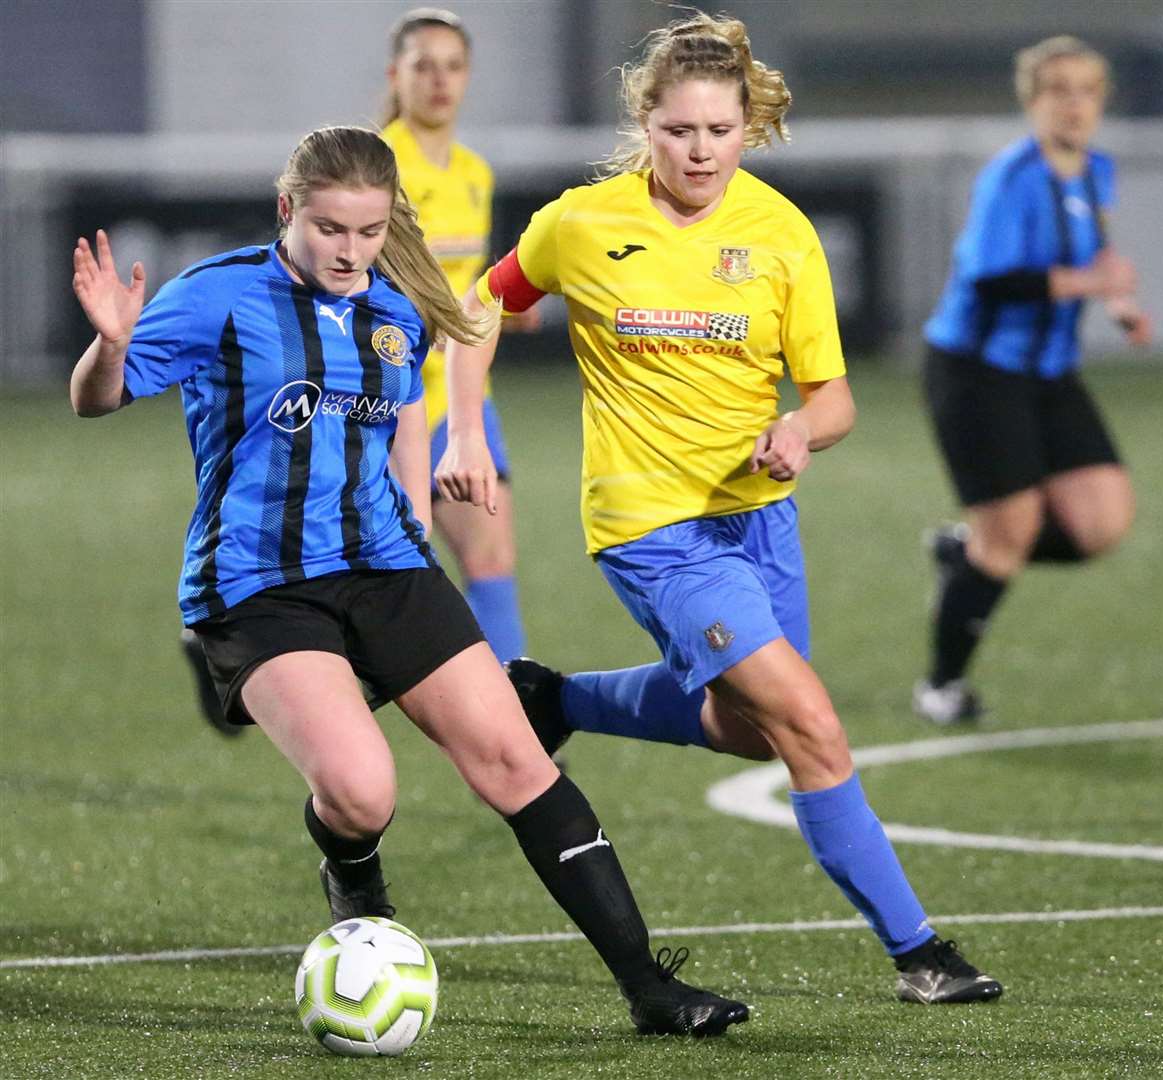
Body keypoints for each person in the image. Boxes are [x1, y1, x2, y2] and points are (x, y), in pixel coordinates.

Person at [68, 125, 748, 1038]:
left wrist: (419, 510)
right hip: (261, 584)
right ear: (288, 212)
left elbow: (410, 395)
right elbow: (95, 399)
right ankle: (353, 873)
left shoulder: (397, 300)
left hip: (387, 568)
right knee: (363, 791)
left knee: (516, 762)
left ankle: (650, 988)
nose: (351, 251)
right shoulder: (220, 295)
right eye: (330, 230)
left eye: (369, 230)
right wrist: (111, 345)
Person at [436, 13, 1002, 1005]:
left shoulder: (779, 233)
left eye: (717, 132)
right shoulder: (583, 222)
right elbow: (483, 304)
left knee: (748, 730)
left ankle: (555, 698)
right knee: (812, 724)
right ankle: (918, 953)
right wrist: (467, 430)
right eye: (678, 131)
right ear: (645, 123)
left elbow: (834, 397)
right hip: (651, 527)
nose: (698, 150)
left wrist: (798, 431)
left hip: (758, 521)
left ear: (748, 129)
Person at [181, 7, 534, 736]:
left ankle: (515, 722)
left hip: (462, 397)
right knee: (382, 562)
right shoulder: (379, 167)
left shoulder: (473, 172)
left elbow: (464, 288)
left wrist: (500, 311)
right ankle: (254, 658)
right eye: (423, 65)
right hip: (379, 400)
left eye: (453, 65)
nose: (439, 81)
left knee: (492, 551)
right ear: (394, 76)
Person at [915, 36, 1151, 725]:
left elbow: (1092, 259)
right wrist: (1091, 282)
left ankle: (963, 550)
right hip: (977, 373)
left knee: (1101, 524)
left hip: (1048, 373)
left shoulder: (1094, 171)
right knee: (1010, 534)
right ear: (1032, 100)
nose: (1075, 105)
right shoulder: (1011, 177)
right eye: (1059, 90)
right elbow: (992, 280)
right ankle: (941, 685)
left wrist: (1120, 305)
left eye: (1087, 91)